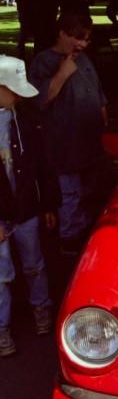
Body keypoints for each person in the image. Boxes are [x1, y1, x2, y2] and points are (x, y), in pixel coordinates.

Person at [30, 11, 108, 255]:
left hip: (91, 143)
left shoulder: (84, 59)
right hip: (65, 145)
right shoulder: (43, 61)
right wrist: (63, 73)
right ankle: (70, 239)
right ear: (62, 33)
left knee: (89, 190)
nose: (83, 44)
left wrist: (103, 114)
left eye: (87, 39)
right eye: (78, 37)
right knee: (70, 193)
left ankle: (86, 232)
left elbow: (97, 91)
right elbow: (40, 100)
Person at [0, 55, 59, 356]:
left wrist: (48, 203)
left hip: (27, 209)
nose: (20, 96)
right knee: (1, 274)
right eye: (14, 90)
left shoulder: (28, 121)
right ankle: (2, 328)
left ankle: (41, 308)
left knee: (34, 263)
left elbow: (43, 165)